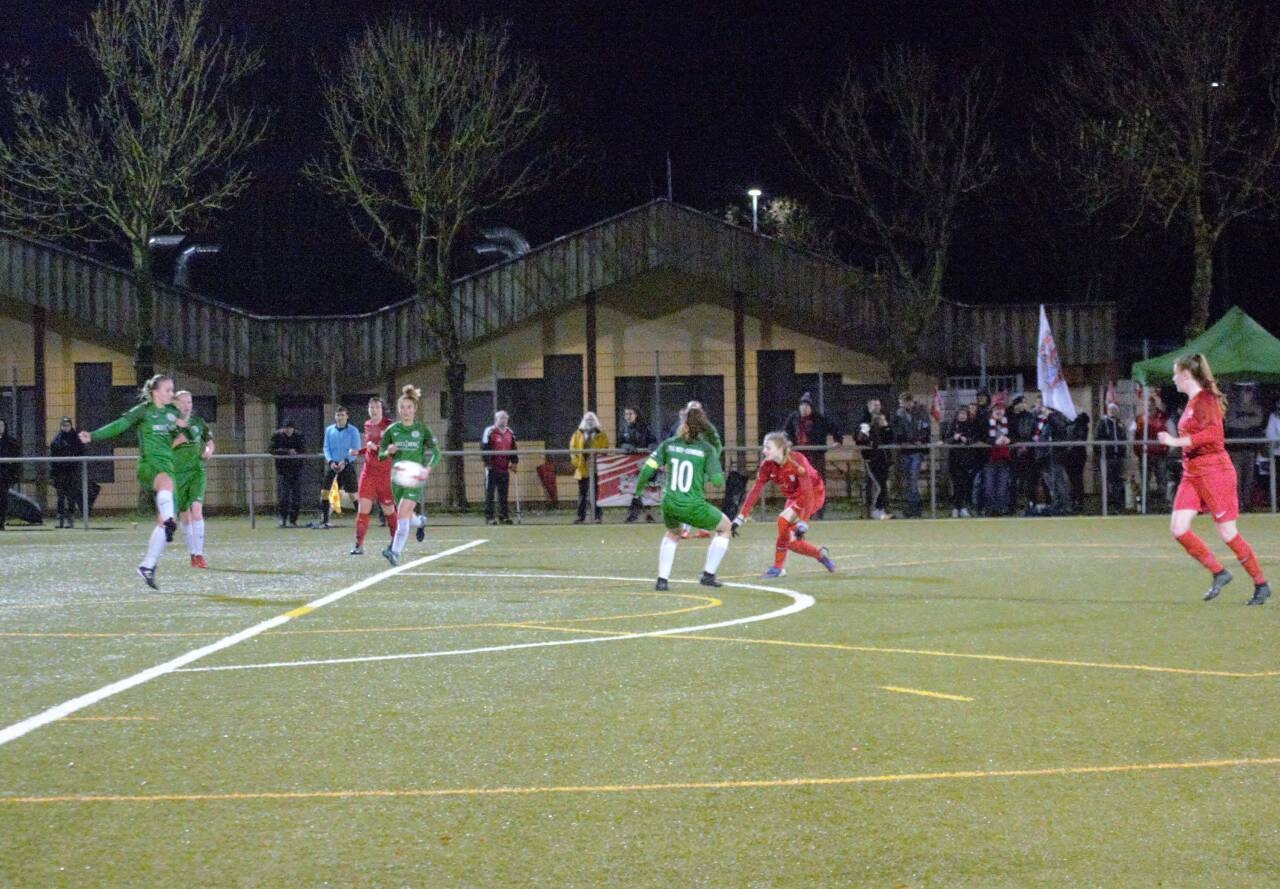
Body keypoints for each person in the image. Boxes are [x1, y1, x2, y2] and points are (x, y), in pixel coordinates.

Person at [1159, 353, 1270, 606]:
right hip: (1192, 472)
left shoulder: (1205, 400)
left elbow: (1212, 435)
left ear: (1186, 375)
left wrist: (1176, 441)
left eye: (1175, 374)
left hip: (1214, 471)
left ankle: (1261, 584)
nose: (1173, 379)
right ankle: (1219, 572)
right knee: (1178, 528)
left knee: (1228, 533)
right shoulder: (1192, 402)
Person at [80, 374, 182, 589]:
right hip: (149, 465)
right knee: (165, 489)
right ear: (155, 392)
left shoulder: (173, 413)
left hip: (168, 466)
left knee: (163, 521)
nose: (171, 394)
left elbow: (182, 434)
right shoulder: (143, 410)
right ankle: (169, 520)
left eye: (173, 390)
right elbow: (119, 425)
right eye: (168, 390)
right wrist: (94, 435)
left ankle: (148, 566)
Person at [634, 406, 734, 590]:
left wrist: (638, 491)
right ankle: (708, 575)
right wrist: (704, 475)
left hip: (669, 503)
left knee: (673, 533)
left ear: (683, 424)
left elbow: (648, 468)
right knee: (725, 527)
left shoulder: (669, 444)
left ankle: (662, 581)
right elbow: (718, 481)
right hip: (693, 505)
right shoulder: (706, 449)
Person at [734, 431, 837, 578]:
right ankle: (820, 554)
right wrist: (741, 516)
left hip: (813, 494)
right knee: (790, 541)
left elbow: (807, 492)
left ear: (781, 448)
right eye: (764, 447)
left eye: (768, 448)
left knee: (782, 521)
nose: (764, 451)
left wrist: (804, 521)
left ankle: (778, 568)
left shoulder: (797, 461)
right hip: (795, 497)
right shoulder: (767, 465)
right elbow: (755, 490)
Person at [378, 385, 441, 566]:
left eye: (409, 407)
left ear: (415, 409)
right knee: (406, 515)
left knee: (402, 514)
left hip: (415, 478)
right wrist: (388, 451)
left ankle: (394, 552)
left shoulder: (422, 430)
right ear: (399, 410)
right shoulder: (392, 430)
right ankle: (420, 521)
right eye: (402, 407)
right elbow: (381, 455)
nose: (406, 411)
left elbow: (436, 453)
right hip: (397, 479)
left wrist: (427, 469)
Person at [783, 393, 842, 519]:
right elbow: (786, 432)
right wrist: (788, 442)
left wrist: (838, 440)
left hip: (815, 457)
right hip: (798, 458)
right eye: (802, 405)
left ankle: (817, 512)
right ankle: (798, 511)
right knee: (798, 485)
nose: (804, 408)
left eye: (807, 406)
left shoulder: (819, 419)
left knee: (816, 484)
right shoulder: (794, 418)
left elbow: (834, 428)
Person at [172, 390, 214, 568]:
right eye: (182, 402)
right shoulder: (169, 425)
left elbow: (210, 442)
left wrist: (208, 451)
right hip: (177, 474)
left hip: (197, 471)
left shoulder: (198, 422)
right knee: (184, 514)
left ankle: (200, 554)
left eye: (189, 402)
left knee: (196, 509)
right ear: (174, 404)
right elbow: (164, 447)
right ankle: (192, 554)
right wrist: (179, 440)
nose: (186, 405)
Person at [350, 397, 395, 555]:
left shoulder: (390, 426)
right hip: (368, 474)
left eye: (376, 407)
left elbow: (393, 448)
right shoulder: (367, 425)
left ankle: (395, 542)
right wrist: (359, 451)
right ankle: (358, 545)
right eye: (371, 407)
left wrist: (376, 448)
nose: (373, 410)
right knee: (363, 509)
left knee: (389, 511)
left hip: (384, 475)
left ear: (382, 409)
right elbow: (369, 448)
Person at [311, 406, 361, 529]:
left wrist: (345, 461)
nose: (340, 417)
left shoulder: (353, 431)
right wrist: (331, 462)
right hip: (333, 466)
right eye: (338, 415)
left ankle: (361, 519)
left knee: (353, 494)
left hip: (347, 466)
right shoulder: (329, 430)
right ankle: (325, 521)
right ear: (335, 417)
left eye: (342, 415)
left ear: (347, 416)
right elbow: (326, 448)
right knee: (324, 492)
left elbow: (356, 449)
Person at [1225, 382, 1264, 512]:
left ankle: (1247, 503)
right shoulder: (1232, 407)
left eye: (1250, 391)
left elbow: (1258, 421)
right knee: (1236, 477)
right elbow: (1231, 422)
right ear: (1240, 392)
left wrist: (1243, 420)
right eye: (1245, 390)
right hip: (1235, 450)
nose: (1248, 394)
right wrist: (1248, 420)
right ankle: (1237, 503)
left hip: (1250, 449)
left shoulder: (1257, 407)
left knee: (1249, 478)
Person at [892, 393, 930, 518]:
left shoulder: (920, 412)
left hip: (916, 451)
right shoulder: (899, 414)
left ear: (909, 401)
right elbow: (896, 430)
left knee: (913, 479)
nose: (902, 405)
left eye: (903, 402)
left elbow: (925, 429)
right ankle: (910, 509)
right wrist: (901, 441)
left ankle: (914, 509)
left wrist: (919, 441)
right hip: (904, 451)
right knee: (907, 480)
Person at [854, 397, 892, 519]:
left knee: (884, 485)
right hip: (871, 459)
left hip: (884, 458)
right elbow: (859, 440)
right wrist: (864, 433)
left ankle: (881, 509)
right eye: (874, 405)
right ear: (868, 407)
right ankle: (874, 510)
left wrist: (886, 427)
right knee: (877, 485)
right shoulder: (864, 422)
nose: (877, 408)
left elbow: (890, 439)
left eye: (878, 405)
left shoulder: (883, 419)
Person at [1132, 393, 1171, 510]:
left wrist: (1167, 448)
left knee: (1162, 480)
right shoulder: (1139, 419)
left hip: (1160, 454)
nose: (1149, 408)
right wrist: (1137, 450)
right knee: (1145, 481)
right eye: (1147, 406)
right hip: (1145, 455)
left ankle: (1162, 505)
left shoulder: (1163, 417)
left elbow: (1171, 432)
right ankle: (1146, 506)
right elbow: (1132, 434)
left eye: (1151, 405)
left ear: (1154, 405)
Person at [620, 406, 657, 523]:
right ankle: (635, 514)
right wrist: (626, 446)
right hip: (630, 464)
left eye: (630, 414)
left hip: (644, 462)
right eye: (626, 414)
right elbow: (619, 443)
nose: (628, 416)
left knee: (645, 487)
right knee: (634, 488)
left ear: (636, 415)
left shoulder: (644, 428)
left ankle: (645, 513)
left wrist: (651, 446)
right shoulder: (624, 429)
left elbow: (654, 441)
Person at [481, 410, 519, 525]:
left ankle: (504, 516)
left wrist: (514, 462)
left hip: (504, 468)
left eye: (505, 418)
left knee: (504, 494)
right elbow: (484, 447)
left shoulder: (510, 432)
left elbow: (513, 448)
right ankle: (489, 517)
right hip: (492, 468)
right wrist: (487, 463)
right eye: (501, 418)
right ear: (496, 419)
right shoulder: (490, 431)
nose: (503, 420)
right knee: (490, 493)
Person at [570, 411, 608, 523]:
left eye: (592, 420)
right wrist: (576, 463)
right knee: (582, 494)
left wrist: (598, 457)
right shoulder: (577, 434)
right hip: (582, 468)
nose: (590, 422)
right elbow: (573, 449)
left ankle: (597, 516)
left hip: (596, 468)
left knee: (596, 493)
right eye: (587, 420)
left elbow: (605, 448)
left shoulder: (601, 435)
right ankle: (580, 516)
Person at [269, 420, 305, 527]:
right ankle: (283, 518)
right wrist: (287, 452)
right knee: (284, 496)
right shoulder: (277, 436)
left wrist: (296, 453)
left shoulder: (299, 436)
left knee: (296, 497)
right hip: (283, 471)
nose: (288, 430)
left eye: (290, 428)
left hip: (296, 470)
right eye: (286, 428)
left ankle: (293, 520)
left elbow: (303, 449)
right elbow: (271, 449)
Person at [50, 416, 84, 528]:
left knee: (71, 496)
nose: (65, 427)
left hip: (72, 472)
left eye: (67, 425)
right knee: (60, 497)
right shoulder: (57, 440)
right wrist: (53, 474)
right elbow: (53, 458)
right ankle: (60, 518)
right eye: (63, 425)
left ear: (71, 426)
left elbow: (81, 452)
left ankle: (70, 518)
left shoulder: (76, 439)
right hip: (59, 473)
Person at [944, 406, 977, 517]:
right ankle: (956, 507)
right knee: (956, 484)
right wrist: (954, 438)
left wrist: (966, 440)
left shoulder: (971, 426)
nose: (962, 416)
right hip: (954, 460)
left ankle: (962, 507)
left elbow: (974, 439)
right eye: (960, 414)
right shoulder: (952, 426)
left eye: (964, 414)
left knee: (964, 484)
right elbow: (946, 439)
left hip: (967, 459)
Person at [1095, 402, 1127, 513]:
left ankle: (1118, 505)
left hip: (1118, 457)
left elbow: (1123, 438)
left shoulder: (1120, 424)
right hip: (1107, 458)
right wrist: (1102, 454)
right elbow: (1097, 439)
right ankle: (1106, 506)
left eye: (1114, 409)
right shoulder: (1102, 423)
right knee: (1107, 482)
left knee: (1117, 481)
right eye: (1110, 409)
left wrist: (1122, 451)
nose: (1112, 411)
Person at [981, 402, 1013, 516]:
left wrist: (1010, 440)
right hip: (990, 459)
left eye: (1001, 409)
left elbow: (1015, 435)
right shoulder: (986, 422)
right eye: (997, 409)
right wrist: (994, 442)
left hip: (1004, 459)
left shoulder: (1008, 422)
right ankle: (990, 509)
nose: (999, 411)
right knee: (989, 485)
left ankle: (1000, 509)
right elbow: (982, 437)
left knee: (1002, 486)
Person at [0, 418, 17, 531]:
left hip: (4, 475)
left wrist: (13, 474)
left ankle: (1, 520)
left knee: (3, 498)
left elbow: (15, 460)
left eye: (1, 425)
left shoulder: (10, 442)